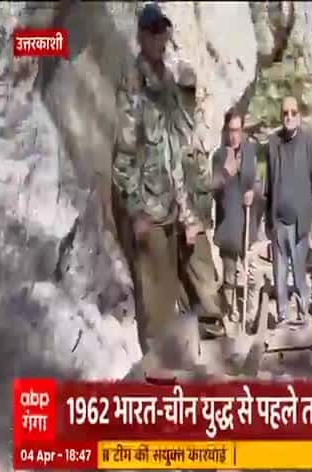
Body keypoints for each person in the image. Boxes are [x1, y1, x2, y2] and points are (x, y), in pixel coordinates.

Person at [111, 3, 205, 354]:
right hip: (148, 212)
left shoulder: (166, 82)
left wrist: (185, 209)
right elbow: (124, 155)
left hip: (169, 209)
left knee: (167, 296)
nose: (159, 38)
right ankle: (154, 370)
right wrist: (135, 211)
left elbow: (175, 150)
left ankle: (168, 366)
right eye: (152, 32)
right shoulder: (134, 84)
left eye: (163, 31)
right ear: (141, 36)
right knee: (152, 305)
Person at [264, 96, 312, 325]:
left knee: (299, 273)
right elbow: (269, 185)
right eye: (285, 113)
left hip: (300, 222)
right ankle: (282, 315)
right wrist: (267, 222)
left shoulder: (309, 143)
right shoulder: (273, 143)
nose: (288, 117)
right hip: (279, 221)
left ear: (299, 115)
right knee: (279, 274)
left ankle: (302, 313)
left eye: (293, 112)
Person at [211, 109, 260, 332]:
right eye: (230, 131)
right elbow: (213, 191)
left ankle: (250, 317)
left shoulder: (250, 153)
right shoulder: (218, 156)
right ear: (225, 131)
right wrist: (225, 173)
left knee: (251, 275)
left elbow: (257, 183)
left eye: (237, 131)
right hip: (228, 225)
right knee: (229, 276)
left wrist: (253, 193)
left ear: (243, 131)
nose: (234, 136)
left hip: (247, 224)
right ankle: (231, 314)